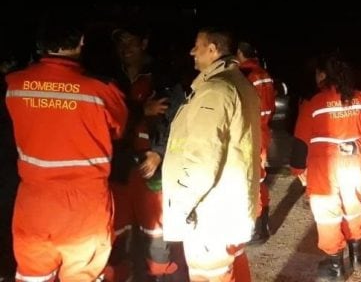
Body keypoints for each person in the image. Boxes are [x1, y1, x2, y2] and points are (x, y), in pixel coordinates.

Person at [4, 18, 128, 281]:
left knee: (32, 277)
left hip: (34, 203)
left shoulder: (13, 83)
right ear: (81, 42)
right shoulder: (103, 89)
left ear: (40, 45)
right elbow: (119, 130)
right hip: (85, 207)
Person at [162, 27, 261, 282]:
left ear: (213, 49)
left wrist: (181, 207)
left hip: (209, 214)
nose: (192, 51)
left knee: (208, 276)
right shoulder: (237, 83)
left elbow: (202, 161)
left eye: (197, 45)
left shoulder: (214, 91)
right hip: (228, 205)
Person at [290, 54, 361, 281]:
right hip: (352, 163)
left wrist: (298, 169)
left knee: (327, 212)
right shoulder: (359, 97)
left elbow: (301, 141)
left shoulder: (315, 101)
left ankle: (335, 264)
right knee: (353, 205)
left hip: (324, 166)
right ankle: (357, 251)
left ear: (323, 75)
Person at [108, 26, 186, 282]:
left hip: (149, 170)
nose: (125, 49)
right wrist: (141, 109)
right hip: (118, 169)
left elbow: (174, 117)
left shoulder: (162, 76)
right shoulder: (111, 78)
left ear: (144, 42)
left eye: (130, 42)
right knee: (114, 237)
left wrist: (159, 153)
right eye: (121, 44)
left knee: (156, 238)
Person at [235, 41, 276, 245]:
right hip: (263, 130)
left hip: (250, 132)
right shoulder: (265, 74)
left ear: (240, 53)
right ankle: (263, 225)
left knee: (252, 179)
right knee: (259, 178)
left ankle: (257, 228)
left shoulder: (245, 74)